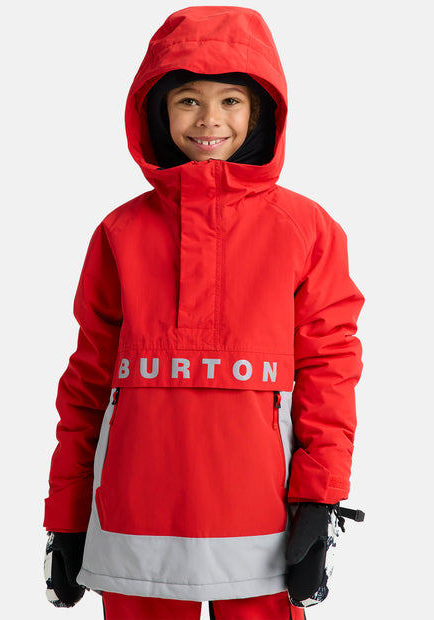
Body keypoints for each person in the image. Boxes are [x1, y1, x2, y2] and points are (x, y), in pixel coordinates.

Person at [43, 6, 364, 619]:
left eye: (231, 100)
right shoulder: (119, 232)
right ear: (157, 112)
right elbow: (86, 385)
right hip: (134, 519)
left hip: (264, 519)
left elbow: (329, 372)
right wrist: (66, 517)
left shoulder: (307, 229)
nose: (210, 118)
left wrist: (320, 501)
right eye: (188, 99)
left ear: (261, 111)